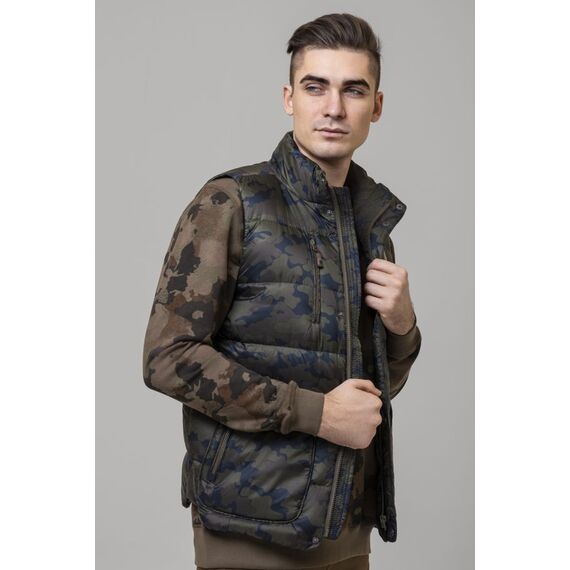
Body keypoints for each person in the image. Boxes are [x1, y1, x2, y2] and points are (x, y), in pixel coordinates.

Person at [143, 12, 422, 570]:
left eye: (353, 90)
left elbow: (369, 396)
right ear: (289, 98)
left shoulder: (368, 224)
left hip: (345, 522)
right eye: (316, 87)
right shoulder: (231, 202)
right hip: (249, 523)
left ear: (376, 107)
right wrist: (316, 413)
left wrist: (402, 328)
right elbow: (167, 359)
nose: (334, 107)